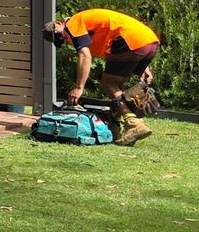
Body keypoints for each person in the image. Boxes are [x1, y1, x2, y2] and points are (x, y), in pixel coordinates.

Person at [43, 9, 160, 147]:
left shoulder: (73, 24)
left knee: (108, 82)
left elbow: (85, 55)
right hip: (148, 41)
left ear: (59, 23)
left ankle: (133, 123)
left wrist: (79, 88)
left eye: (60, 35)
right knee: (116, 85)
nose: (64, 39)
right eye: (60, 40)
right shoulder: (83, 24)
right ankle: (116, 128)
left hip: (130, 40)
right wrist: (143, 65)